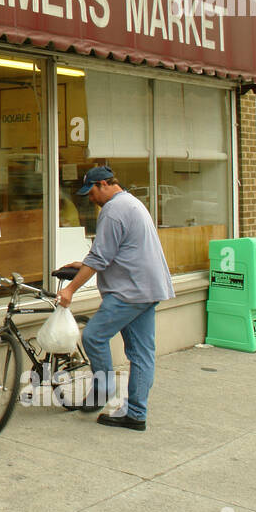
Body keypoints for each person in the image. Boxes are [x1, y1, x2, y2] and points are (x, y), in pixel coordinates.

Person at [56, 165, 174, 432]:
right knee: (142, 353)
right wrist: (85, 263)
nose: (91, 199)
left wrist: (70, 289)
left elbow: (99, 258)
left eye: (92, 192)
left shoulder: (113, 211)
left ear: (104, 185)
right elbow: (113, 251)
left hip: (129, 292)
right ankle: (136, 413)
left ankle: (102, 391)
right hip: (148, 288)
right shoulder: (132, 203)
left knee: (93, 337)